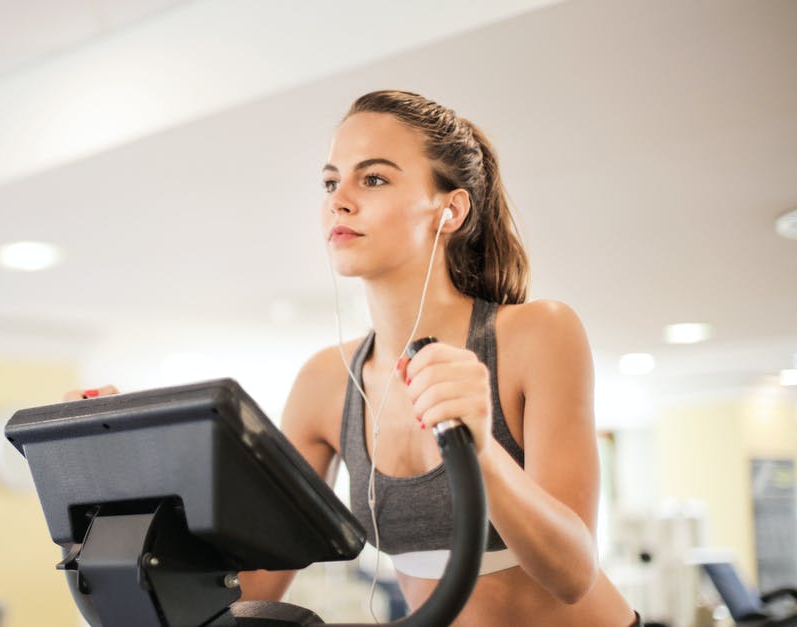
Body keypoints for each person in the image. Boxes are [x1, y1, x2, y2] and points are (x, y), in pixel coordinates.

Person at [66, 90, 639, 626]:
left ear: (451, 211)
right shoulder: (325, 382)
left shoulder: (536, 334)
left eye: (373, 178)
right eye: (330, 181)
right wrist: (122, 479)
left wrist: (481, 448)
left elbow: (571, 573)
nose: (339, 199)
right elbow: (257, 586)